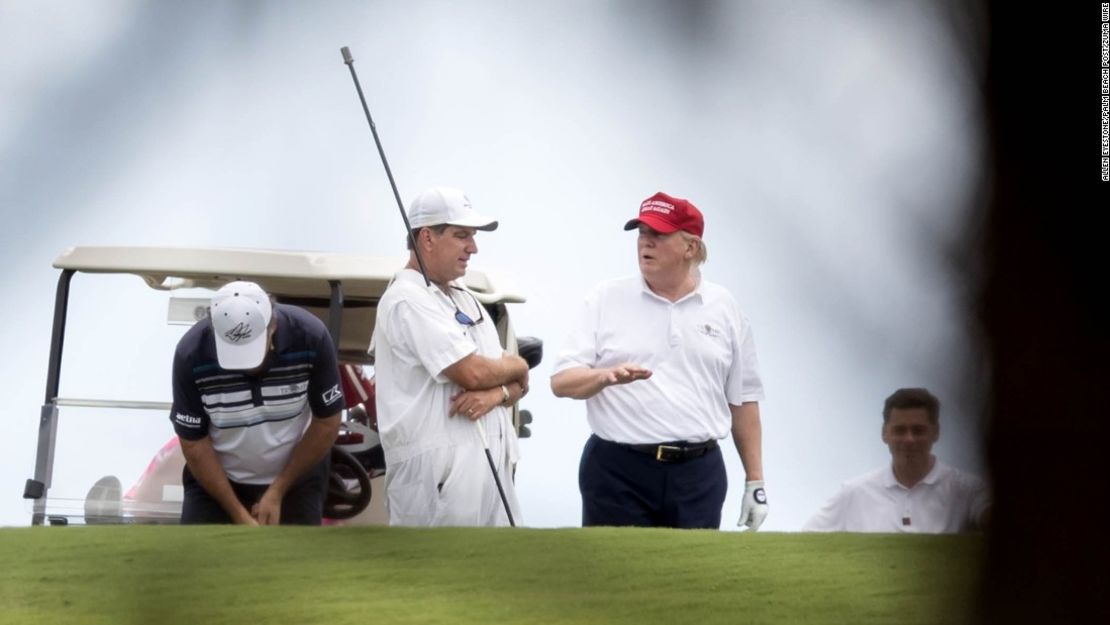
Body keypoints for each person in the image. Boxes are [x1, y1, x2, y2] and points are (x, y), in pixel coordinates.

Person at [550, 191, 768, 530]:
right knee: (617, 581)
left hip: (698, 474)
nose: (645, 244)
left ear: (690, 247)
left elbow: (743, 399)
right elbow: (561, 382)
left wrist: (755, 482)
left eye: (658, 235)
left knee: (689, 580)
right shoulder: (605, 298)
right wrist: (604, 377)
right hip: (617, 471)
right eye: (641, 234)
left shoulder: (724, 307)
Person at [372, 187, 529, 526]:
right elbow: (473, 372)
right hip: (435, 472)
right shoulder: (406, 299)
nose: (473, 247)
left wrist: (497, 393)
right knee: (436, 574)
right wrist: (517, 365)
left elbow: (512, 382)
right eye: (462, 236)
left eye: (472, 236)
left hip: (487, 463)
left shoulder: (463, 297)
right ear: (427, 238)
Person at [170, 280, 344, 525]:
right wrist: (238, 513)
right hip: (216, 483)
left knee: (297, 561)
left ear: (272, 326)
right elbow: (194, 443)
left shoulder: (310, 336)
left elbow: (327, 422)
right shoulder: (191, 353)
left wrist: (278, 491)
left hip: (297, 478)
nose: (247, 366)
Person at [802, 387, 990, 533]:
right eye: (900, 430)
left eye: (918, 430)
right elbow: (802, 542)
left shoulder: (967, 490)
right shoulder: (854, 494)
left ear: (936, 432)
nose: (909, 439)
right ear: (885, 434)